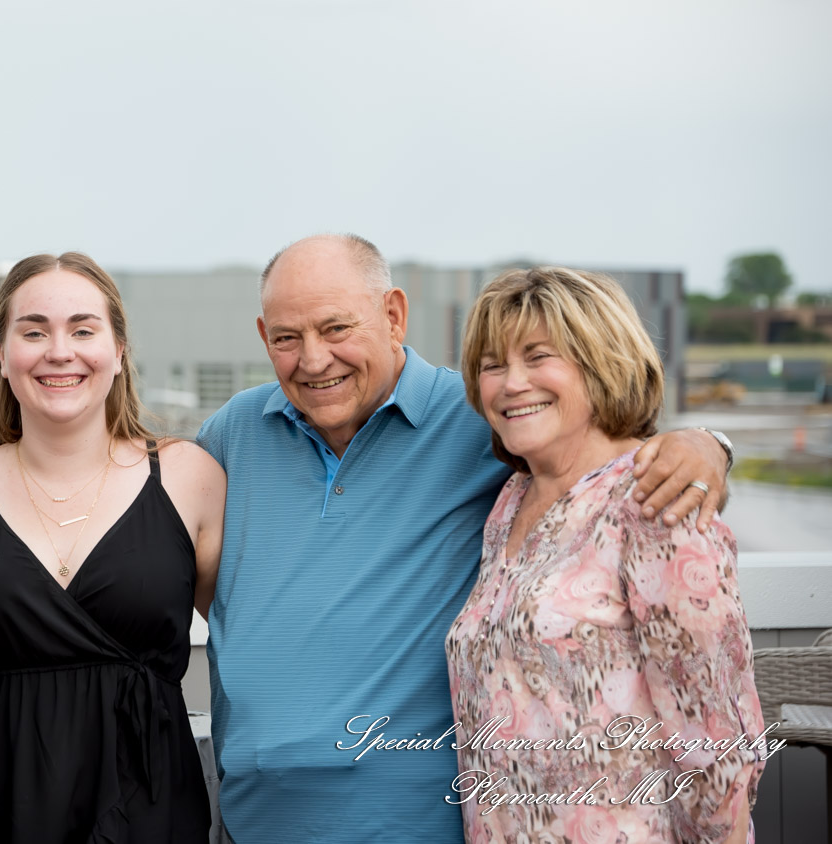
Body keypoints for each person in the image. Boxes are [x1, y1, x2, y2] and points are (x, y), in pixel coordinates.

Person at [195, 234, 733, 842]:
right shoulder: (232, 434)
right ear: (264, 337)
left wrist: (708, 445)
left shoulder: (483, 423)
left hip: (426, 825)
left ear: (393, 314)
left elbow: (608, 453)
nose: (314, 360)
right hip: (254, 822)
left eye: (336, 328)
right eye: (287, 338)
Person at [447, 266, 764, 843]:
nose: (512, 383)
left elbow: (718, 743)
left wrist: (711, 445)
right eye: (492, 365)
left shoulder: (654, 500)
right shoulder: (511, 501)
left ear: (601, 364)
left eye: (538, 357)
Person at [0, 252, 224, 843]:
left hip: (148, 804)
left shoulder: (190, 479)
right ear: (2, 354)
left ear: (119, 351)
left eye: (83, 330)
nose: (60, 351)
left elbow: (248, 637)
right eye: (34, 332)